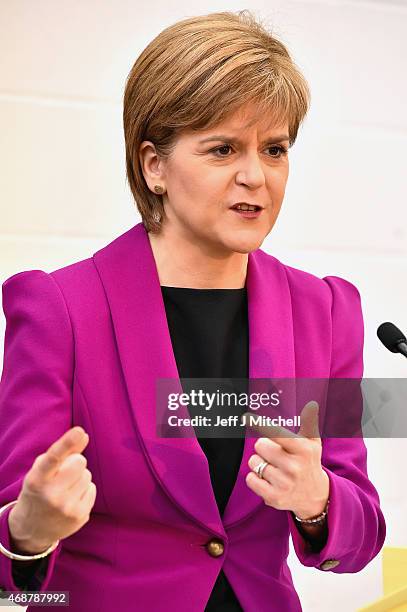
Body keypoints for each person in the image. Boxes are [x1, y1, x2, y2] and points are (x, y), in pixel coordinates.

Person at [0, 10, 386, 612]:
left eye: (275, 149)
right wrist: (28, 531)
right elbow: (11, 550)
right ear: (154, 165)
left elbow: (362, 536)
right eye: (222, 149)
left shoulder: (326, 310)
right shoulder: (60, 311)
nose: (256, 175)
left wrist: (318, 500)